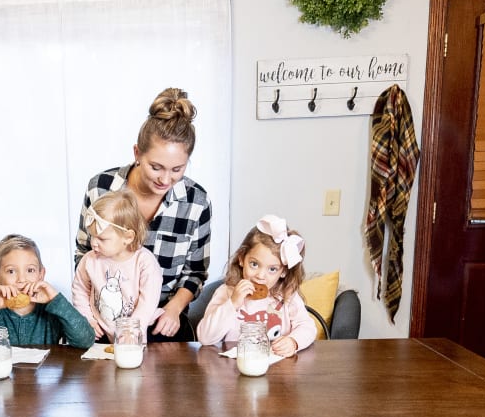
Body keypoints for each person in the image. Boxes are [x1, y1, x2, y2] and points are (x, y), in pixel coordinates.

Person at [74, 87, 212, 341]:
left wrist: (174, 309)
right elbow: (84, 255)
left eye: (177, 169)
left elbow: (195, 272)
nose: (165, 178)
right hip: (104, 321)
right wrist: (89, 317)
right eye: (156, 167)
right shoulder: (101, 188)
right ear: (137, 153)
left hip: (162, 321)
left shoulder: (196, 202)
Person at [194, 215, 318, 358]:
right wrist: (232, 303)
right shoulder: (227, 293)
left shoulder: (286, 295)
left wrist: (293, 341)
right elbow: (205, 337)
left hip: (278, 372)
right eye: (254, 264)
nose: (260, 275)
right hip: (234, 371)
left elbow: (307, 327)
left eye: (272, 269)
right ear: (241, 259)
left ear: (283, 271)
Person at [0, 234, 94, 348]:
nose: (22, 279)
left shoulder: (52, 312)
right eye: (11, 271)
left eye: (30, 270)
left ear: (41, 275)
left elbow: (86, 340)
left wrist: (56, 300)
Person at [71, 189, 162, 341]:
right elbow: (79, 290)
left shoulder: (144, 262)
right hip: (100, 328)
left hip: (136, 328)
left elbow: (148, 302)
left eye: (102, 238)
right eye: (92, 236)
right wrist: (87, 319)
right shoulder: (90, 260)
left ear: (128, 237)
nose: (93, 243)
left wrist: (131, 330)